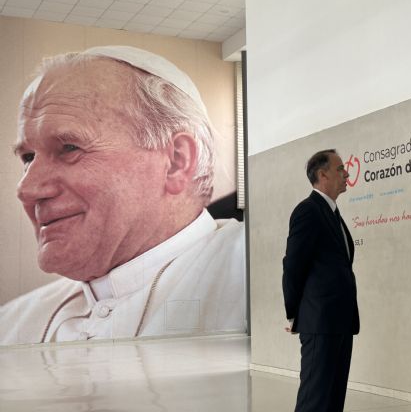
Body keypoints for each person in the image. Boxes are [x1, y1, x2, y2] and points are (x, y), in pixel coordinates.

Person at [0, 45, 246, 345]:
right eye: (27, 158)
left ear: (176, 161)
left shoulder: (259, 275)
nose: (27, 189)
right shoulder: (12, 324)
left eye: (69, 148)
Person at [282, 149, 359, 412]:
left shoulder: (332, 212)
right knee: (315, 400)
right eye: (340, 169)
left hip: (340, 321)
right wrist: (294, 313)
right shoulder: (308, 211)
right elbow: (293, 265)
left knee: (333, 399)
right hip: (320, 322)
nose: (346, 173)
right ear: (322, 174)